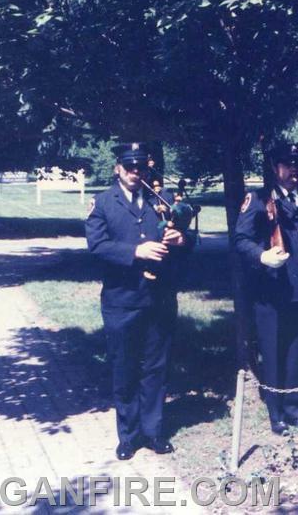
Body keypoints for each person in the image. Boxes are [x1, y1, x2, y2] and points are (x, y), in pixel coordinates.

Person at [85, 142, 194, 460]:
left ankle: (154, 431)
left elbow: (189, 237)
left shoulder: (162, 199)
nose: (136, 173)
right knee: (125, 366)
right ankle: (128, 436)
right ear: (118, 168)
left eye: (141, 167)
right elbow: (97, 245)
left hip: (159, 297)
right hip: (122, 299)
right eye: (129, 167)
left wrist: (182, 238)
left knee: (156, 366)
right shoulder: (103, 202)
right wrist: (135, 252)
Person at [233, 142, 298, 435]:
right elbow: (241, 239)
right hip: (272, 290)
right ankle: (275, 412)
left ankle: (295, 408)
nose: (294, 170)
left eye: (297, 165)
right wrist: (261, 255)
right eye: (288, 165)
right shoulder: (259, 199)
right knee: (273, 350)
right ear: (275, 168)